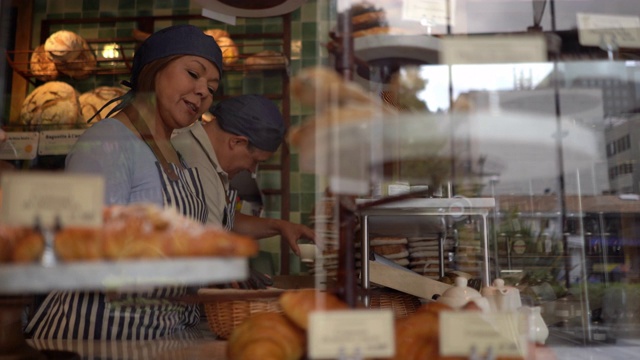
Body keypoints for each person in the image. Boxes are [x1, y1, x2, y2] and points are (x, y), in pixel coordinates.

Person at [25, 24, 224, 341]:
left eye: (212, 88)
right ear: (154, 69)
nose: (203, 92)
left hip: (159, 336)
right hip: (98, 338)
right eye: (193, 73)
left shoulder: (176, 154)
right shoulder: (109, 142)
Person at [172, 94, 315, 257]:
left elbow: (226, 220)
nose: (252, 170)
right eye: (255, 160)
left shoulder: (208, 160)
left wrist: (280, 226)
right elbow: (205, 253)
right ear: (237, 142)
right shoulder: (193, 163)